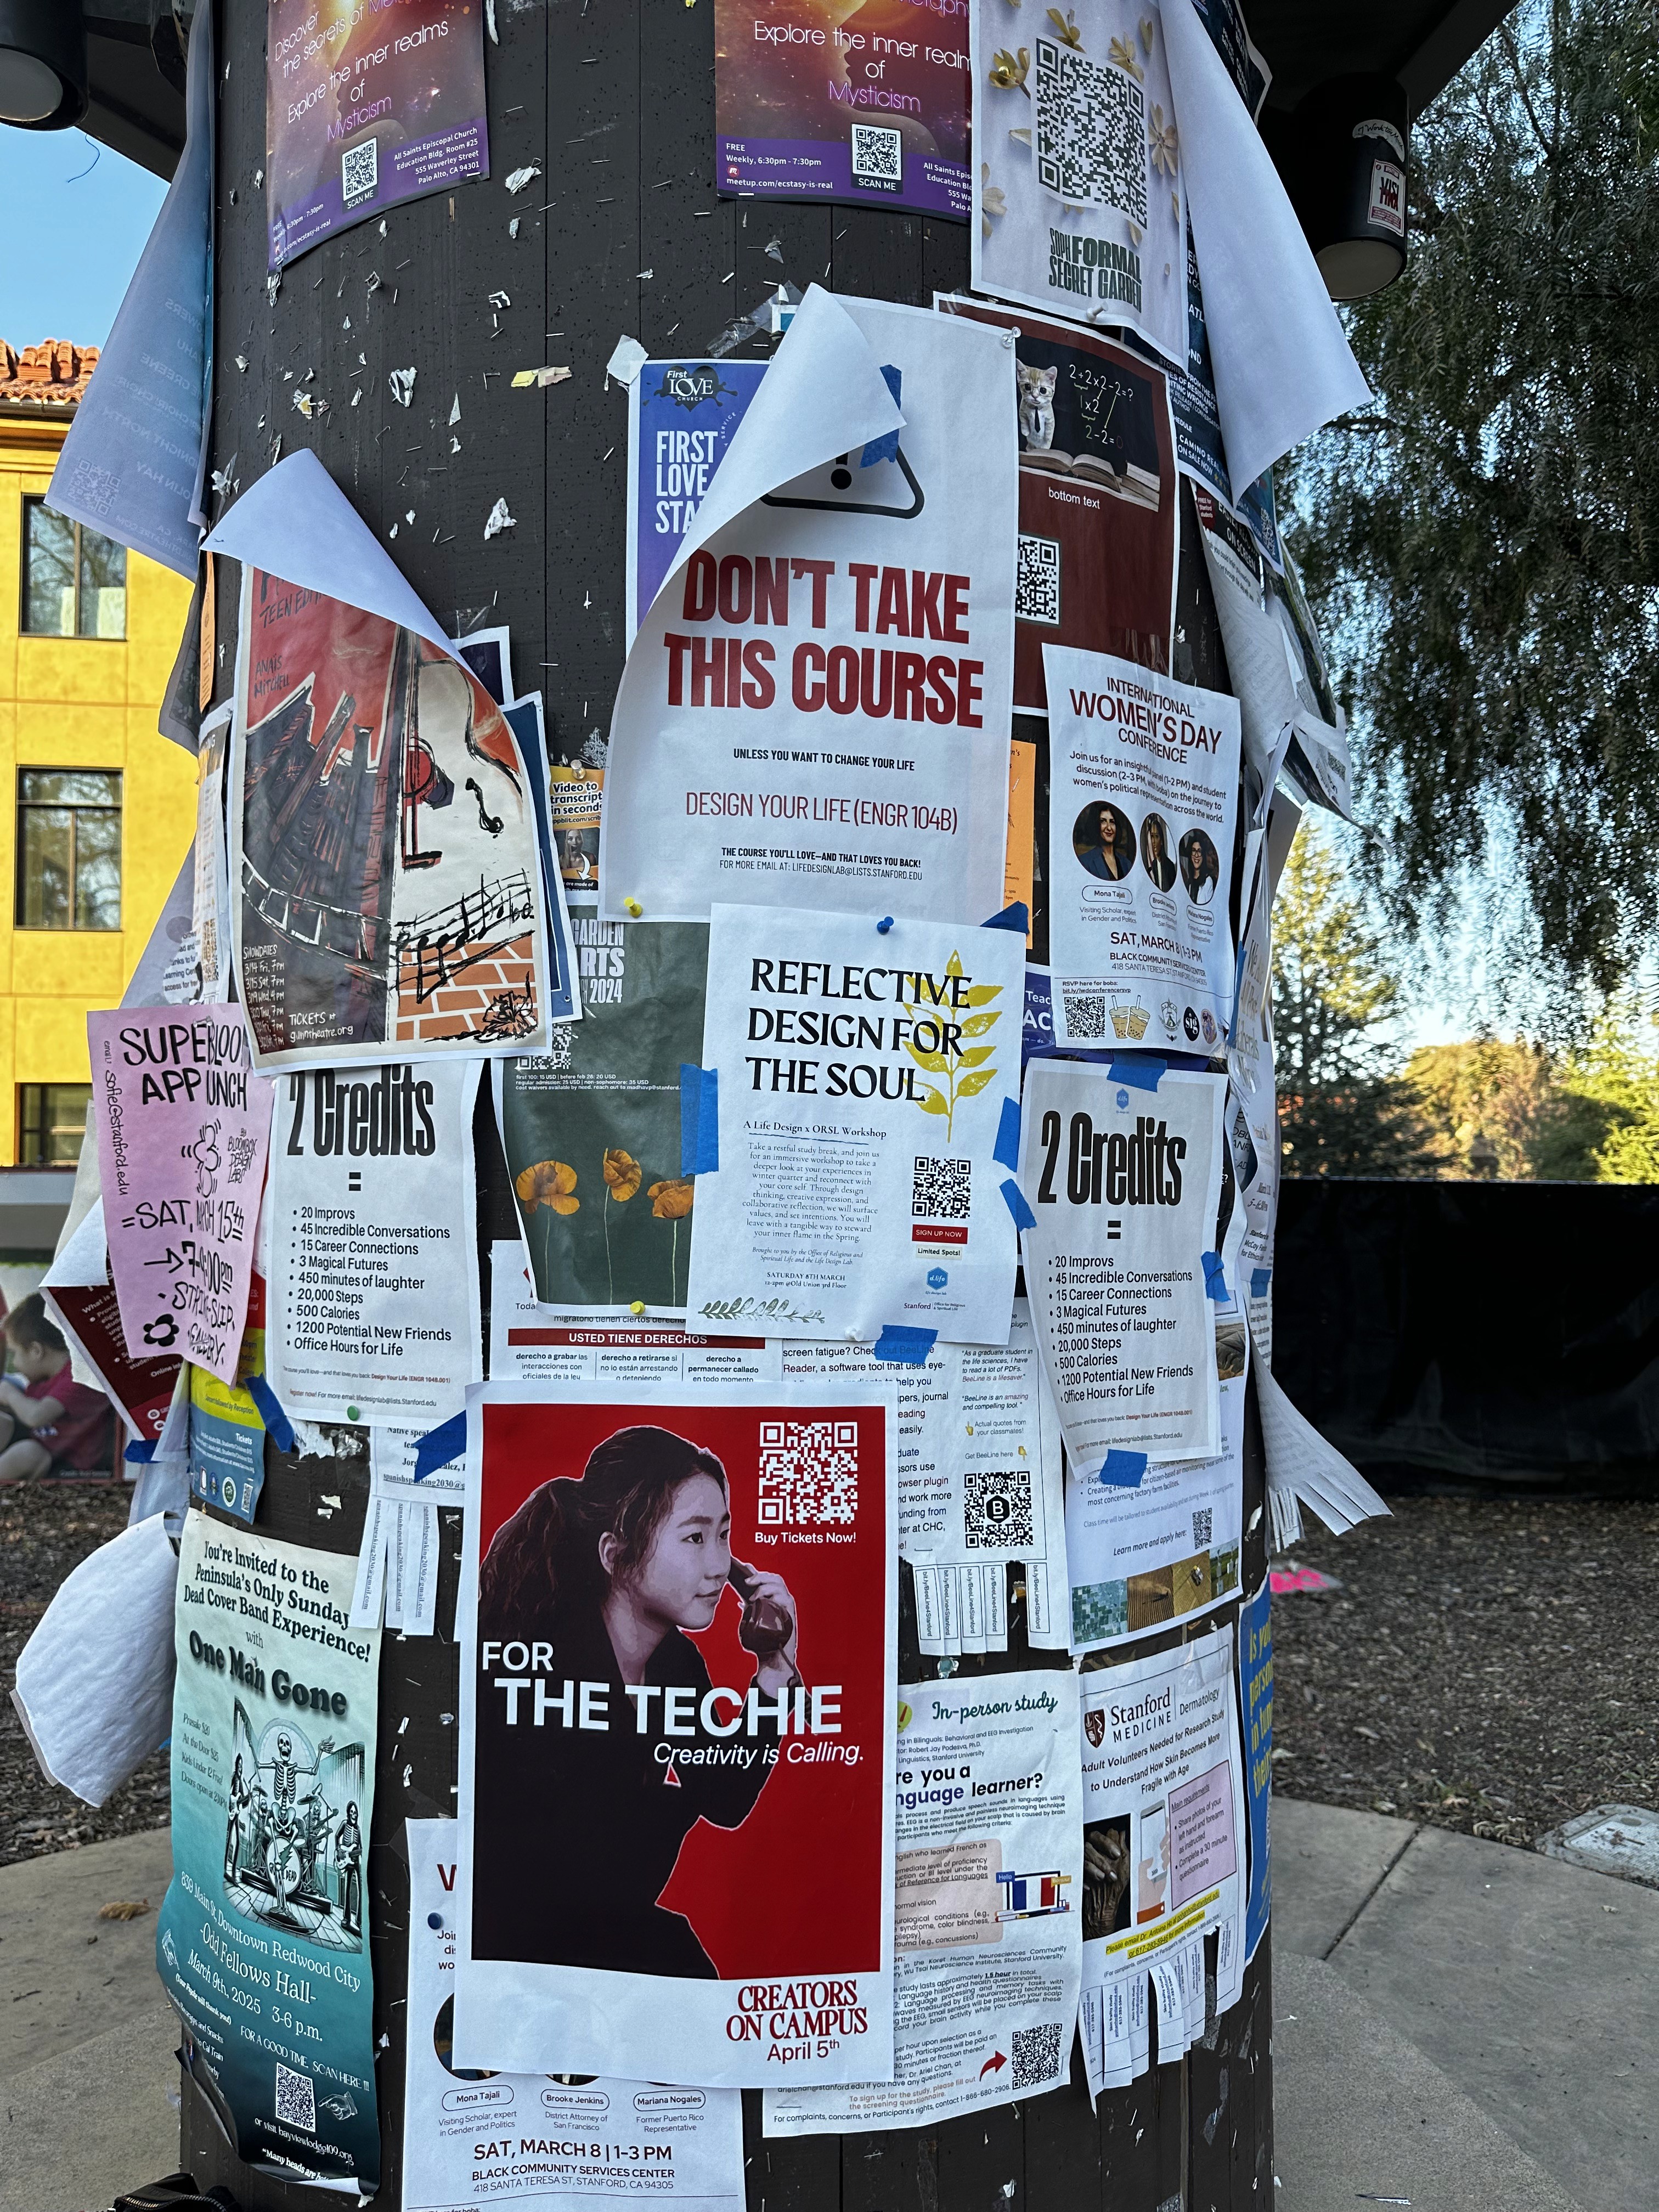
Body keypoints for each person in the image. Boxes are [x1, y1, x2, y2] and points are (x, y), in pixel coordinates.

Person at [472, 1424, 800, 1979]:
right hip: (520, 1945)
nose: (720, 1566)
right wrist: (665, 1810)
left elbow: (724, 1796)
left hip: (602, 1933)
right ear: (615, 1554)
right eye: (694, 1538)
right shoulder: (540, 1654)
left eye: (724, 1535)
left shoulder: (676, 1665)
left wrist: (774, 1673)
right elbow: (571, 1860)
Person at [0, 1296, 111, 1479]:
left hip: (69, 1465)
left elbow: (36, 1417)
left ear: (36, 1351)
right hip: (45, 1444)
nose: (15, 1364)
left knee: (29, 1454)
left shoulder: (78, 1377)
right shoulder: (42, 1379)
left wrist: (9, 1394)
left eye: (15, 1354)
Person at [1077, 803, 1130, 881]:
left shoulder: (1127, 864)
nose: (1109, 828)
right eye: (1103, 821)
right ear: (1095, 825)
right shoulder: (1085, 861)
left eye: (1112, 822)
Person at [1141, 815, 1177, 893]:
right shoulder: (1154, 865)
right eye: (1152, 836)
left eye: (1156, 836)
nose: (1154, 841)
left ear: (1162, 840)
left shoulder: (1169, 866)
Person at [1181, 832, 1217, 905]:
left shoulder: (1208, 881)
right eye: (1194, 851)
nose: (1196, 855)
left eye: (1199, 851)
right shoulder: (1189, 882)